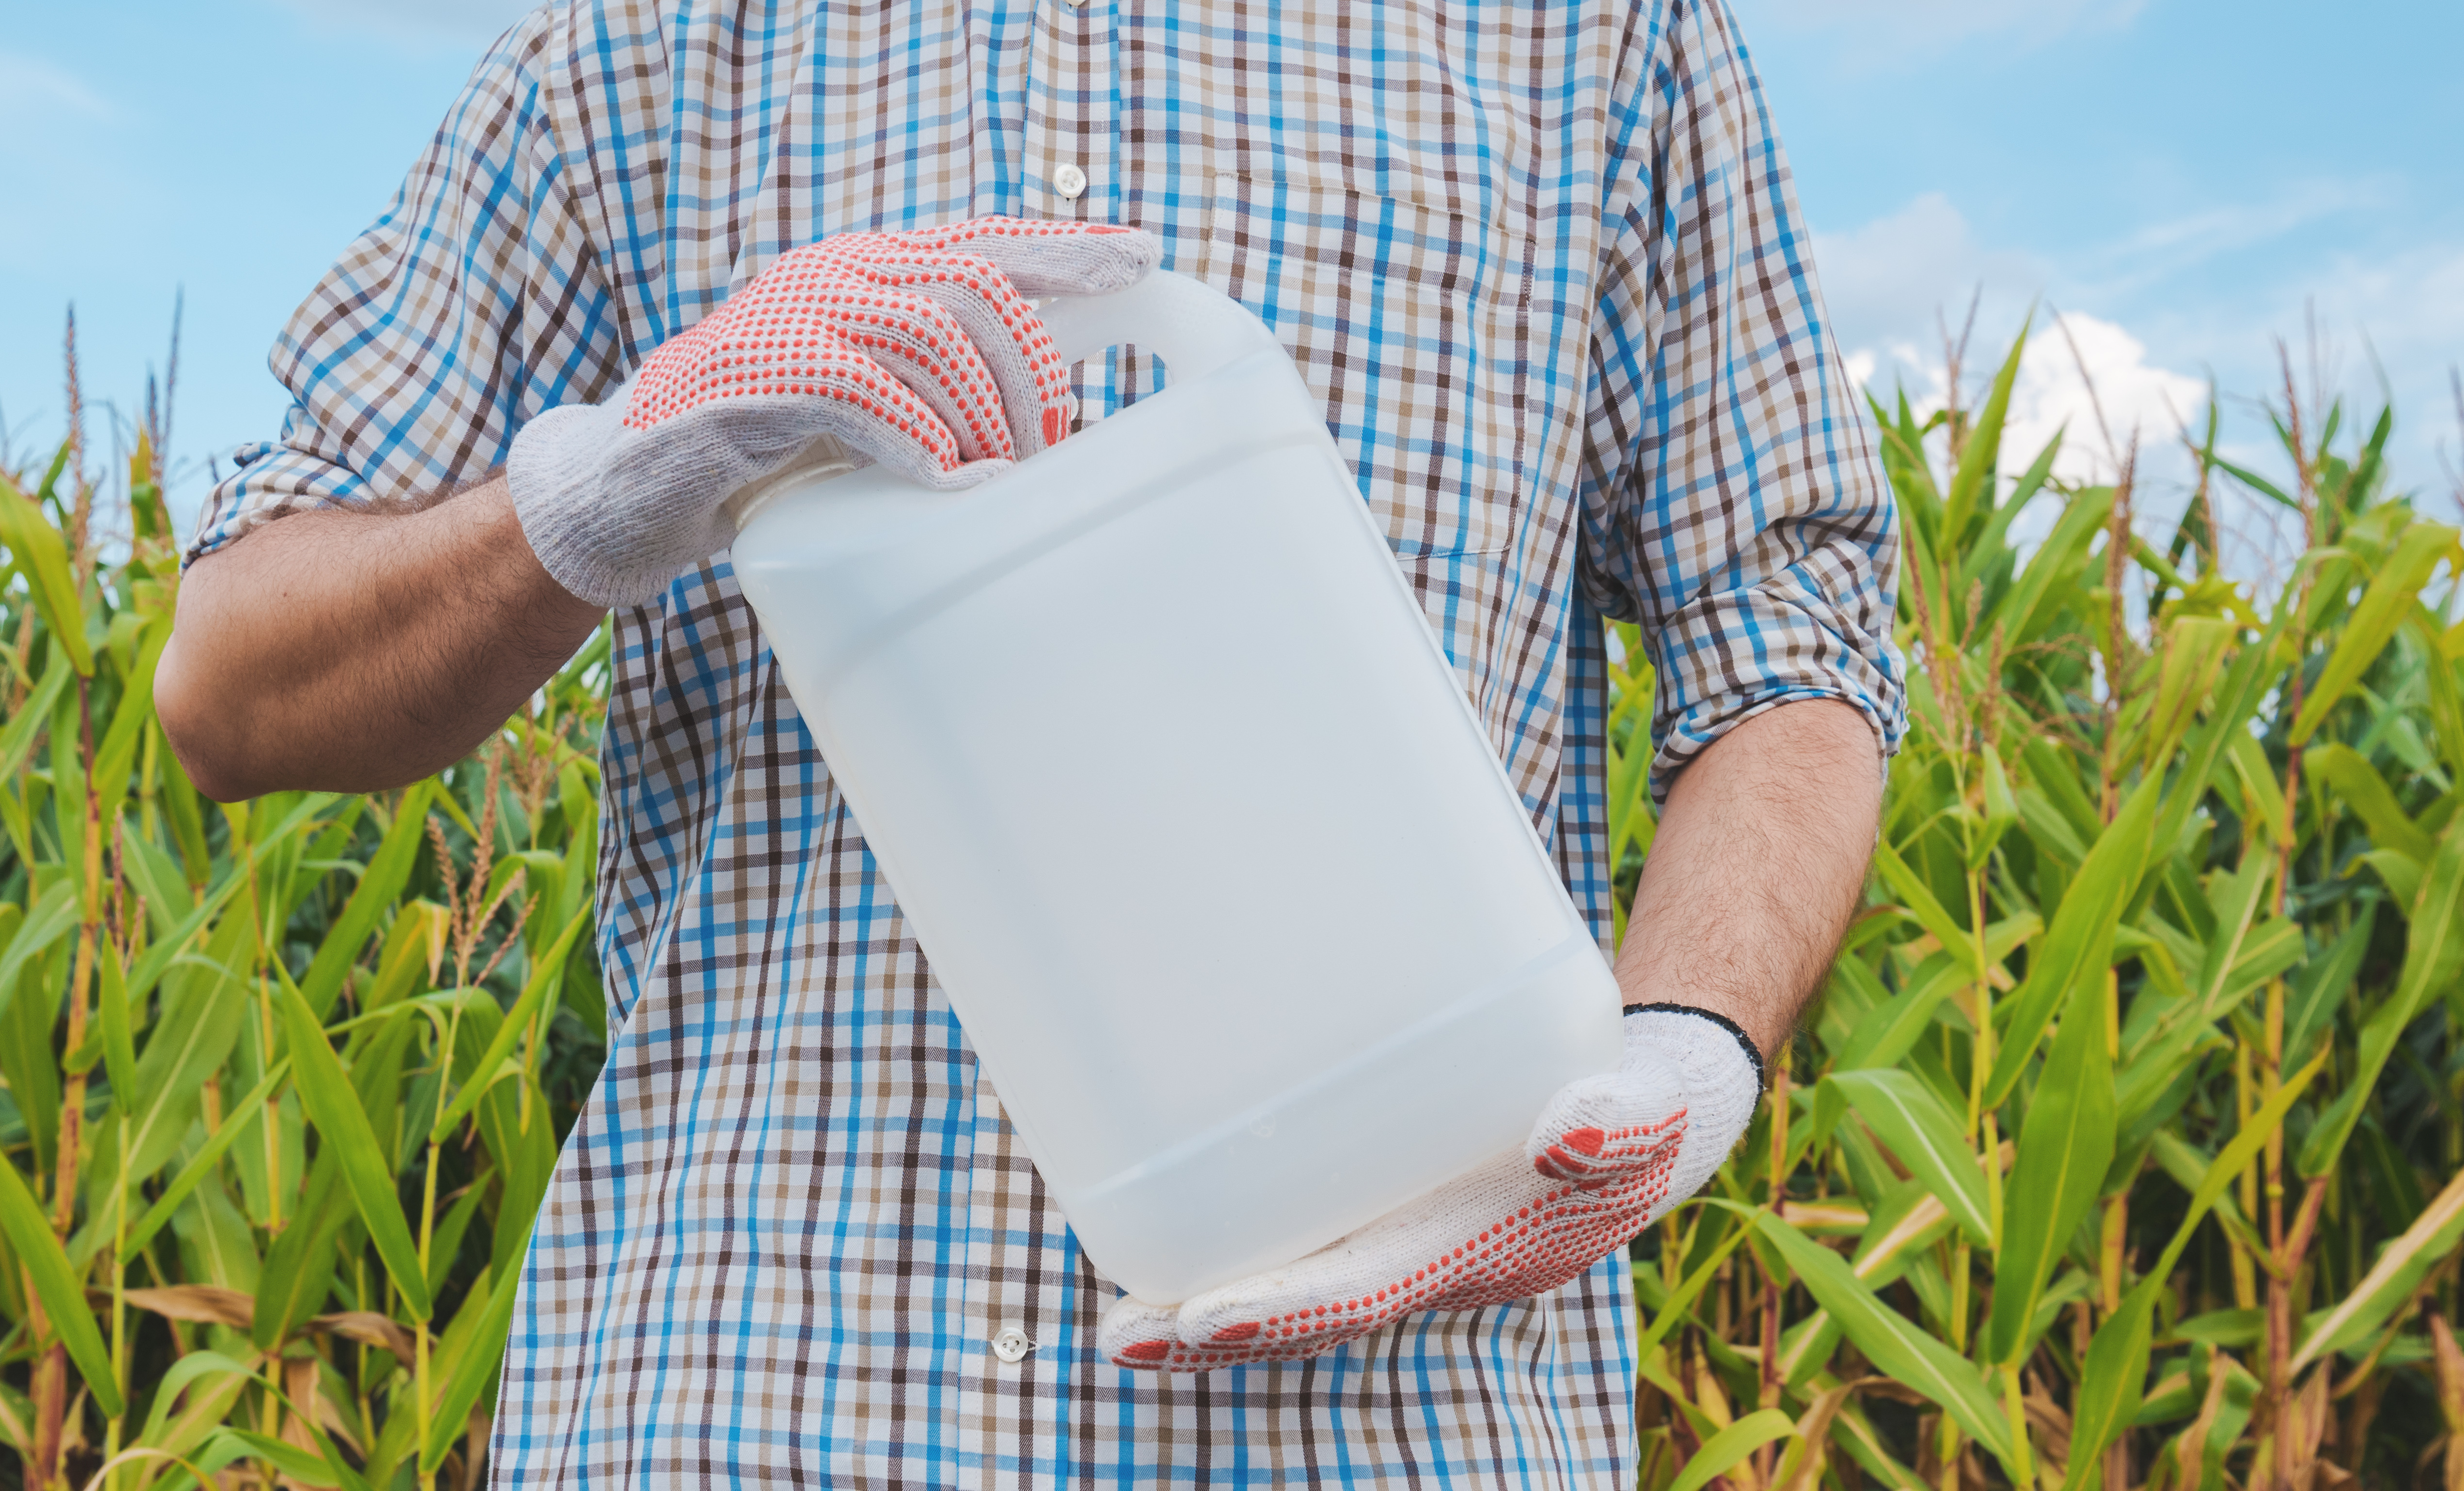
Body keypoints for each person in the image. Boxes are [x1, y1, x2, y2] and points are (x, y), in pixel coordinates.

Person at [153, 0, 1898, 1481]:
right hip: (737, 1410)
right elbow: (229, 684)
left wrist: (1692, 1050)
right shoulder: (646, 47)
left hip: (1398, 1422)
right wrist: (609, 486)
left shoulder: (1591, 38)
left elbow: (1789, 652)